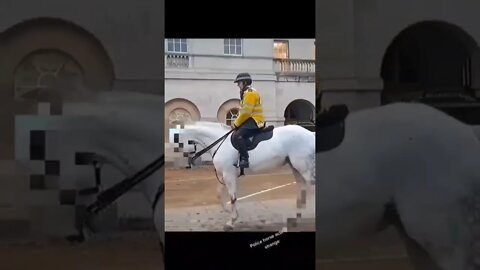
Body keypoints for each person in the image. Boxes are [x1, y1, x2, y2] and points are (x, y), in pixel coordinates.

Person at [231, 72, 266, 169]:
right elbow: (243, 111)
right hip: (251, 120)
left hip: (256, 121)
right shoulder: (247, 93)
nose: (238, 85)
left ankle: (245, 159)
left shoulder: (250, 93)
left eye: (239, 83)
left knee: (239, 135)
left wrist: (236, 124)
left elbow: (246, 112)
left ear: (245, 82)